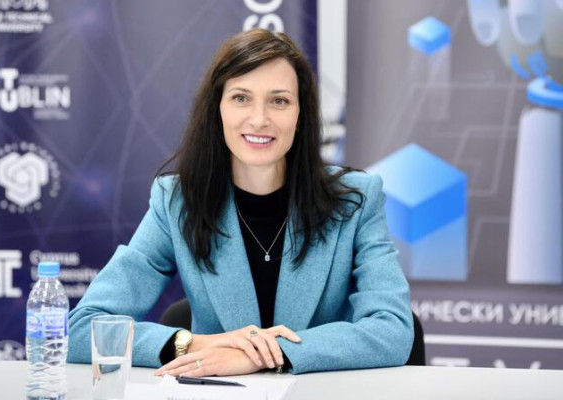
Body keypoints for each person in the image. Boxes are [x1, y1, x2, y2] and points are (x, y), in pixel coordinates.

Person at [68, 28, 413, 376]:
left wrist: (263, 354)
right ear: (217, 109)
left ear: (301, 114)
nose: (259, 119)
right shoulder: (177, 201)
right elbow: (84, 329)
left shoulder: (355, 199)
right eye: (240, 98)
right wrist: (194, 344)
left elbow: (393, 330)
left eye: (279, 101)